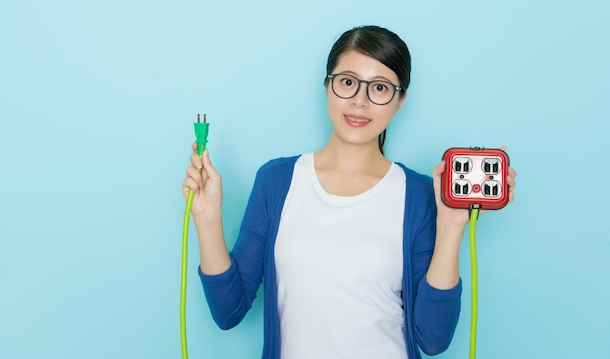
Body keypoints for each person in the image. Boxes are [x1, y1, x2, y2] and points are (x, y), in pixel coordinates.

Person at [182, 25, 517, 359]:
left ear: (400, 101)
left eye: (380, 88)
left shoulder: (417, 195)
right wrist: (207, 219)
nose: (360, 100)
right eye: (347, 82)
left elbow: (432, 339)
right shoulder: (276, 181)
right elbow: (229, 312)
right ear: (327, 87)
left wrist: (452, 225)